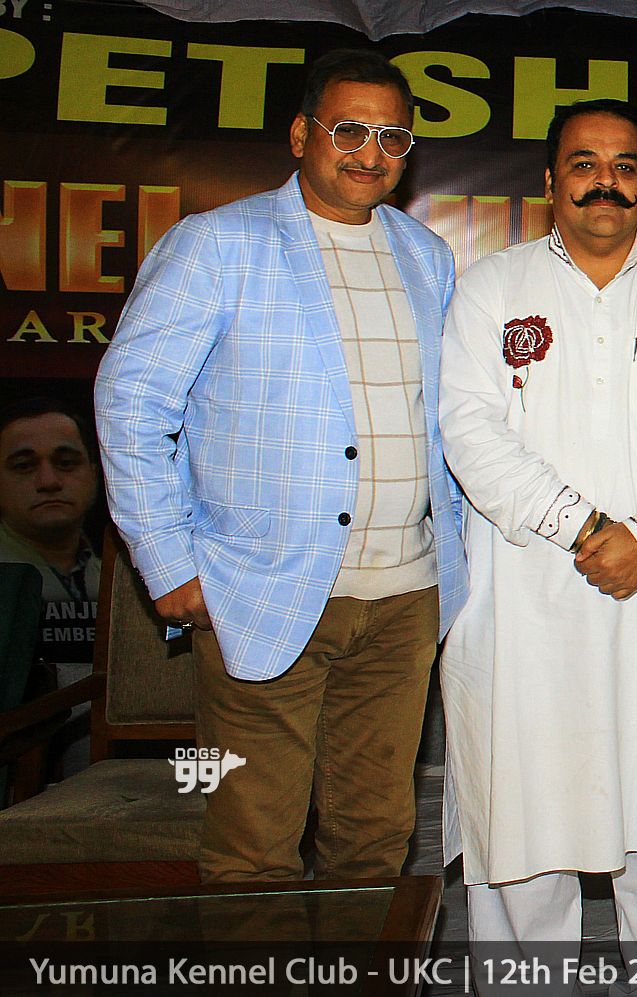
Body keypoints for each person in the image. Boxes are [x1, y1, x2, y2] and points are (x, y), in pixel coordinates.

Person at [95, 47, 466, 881]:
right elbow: (131, 401)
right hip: (258, 591)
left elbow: (442, 418)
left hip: (404, 600)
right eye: (350, 130)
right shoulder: (216, 244)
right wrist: (166, 559)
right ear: (302, 134)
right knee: (251, 852)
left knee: (374, 845)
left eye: (393, 137)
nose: (371, 153)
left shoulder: (427, 255)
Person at [439, 99, 637, 988]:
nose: (604, 181)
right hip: (523, 607)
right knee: (523, 833)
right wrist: (584, 527)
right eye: (584, 163)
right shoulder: (492, 286)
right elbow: (469, 430)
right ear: (550, 182)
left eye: (624, 166)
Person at [0, 397, 102, 771]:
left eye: (66, 463)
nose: (49, 482)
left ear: (95, 473)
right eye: (24, 466)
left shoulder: (129, 576)